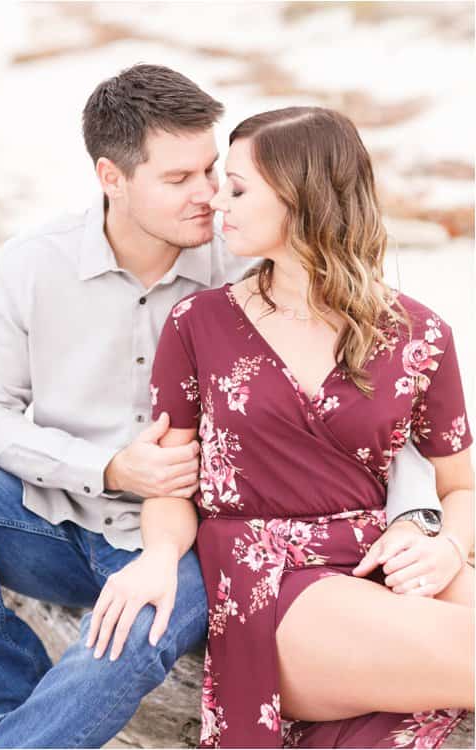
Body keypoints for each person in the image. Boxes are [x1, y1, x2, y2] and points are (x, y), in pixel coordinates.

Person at [0, 64, 447, 748]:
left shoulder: (249, 261)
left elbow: (374, 410)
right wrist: (109, 467)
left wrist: (418, 520)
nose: (209, 199)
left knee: (130, 635)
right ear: (112, 178)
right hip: (55, 514)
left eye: (213, 172)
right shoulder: (33, 263)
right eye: (179, 180)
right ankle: (7, 700)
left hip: (184, 536)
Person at [147, 106, 472, 747]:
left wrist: (447, 548)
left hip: (380, 555)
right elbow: (168, 484)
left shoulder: (420, 333)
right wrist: (159, 558)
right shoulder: (197, 323)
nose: (217, 200)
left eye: (238, 188)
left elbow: (463, 486)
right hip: (267, 576)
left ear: (302, 199)